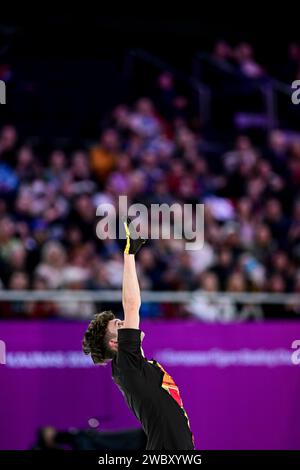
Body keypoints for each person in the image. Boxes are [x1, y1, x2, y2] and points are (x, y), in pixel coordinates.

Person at [83, 217, 194, 450]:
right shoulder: (126, 363)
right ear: (115, 343)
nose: (125, 322)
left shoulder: (135, 366)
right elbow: (132, 305)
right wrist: (129, 255)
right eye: (118, 325)